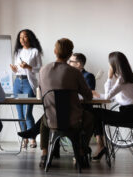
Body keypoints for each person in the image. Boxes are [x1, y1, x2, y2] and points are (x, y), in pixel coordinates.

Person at [38, 38, 94, 167]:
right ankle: (80, 152)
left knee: (44, 119)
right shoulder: (74, 72)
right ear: (70, 54)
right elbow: (89, 97)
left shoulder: (43, 70)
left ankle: (44, 154)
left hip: (52, 120)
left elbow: (41, 94)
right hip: (73, 120)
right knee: (90, 117)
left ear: (54, 51)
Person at [91, 51, 133, 161]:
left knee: (94, 113)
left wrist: (109, 78)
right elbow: (113, 97)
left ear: (114, 65)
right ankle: (100, 145)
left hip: (128, 116)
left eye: (109, 64)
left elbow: (108, 97)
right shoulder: (129, 78)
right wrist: (97, 95)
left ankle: (100, 145)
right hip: (132, 114)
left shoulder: (122, 79)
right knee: (96, 114)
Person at [9, 29, 43, 148]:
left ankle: (32, 138)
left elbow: (39, 68)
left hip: (28, 84)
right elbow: (18, 68)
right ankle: (25, 138)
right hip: (18, 83)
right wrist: (14, 69)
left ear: (30, 38)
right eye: (20, 37)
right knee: (20, 114)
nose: (22, 39)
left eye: (25, 37)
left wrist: (28, 66)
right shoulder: (18, 52)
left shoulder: (35, 51)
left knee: (27, 113)